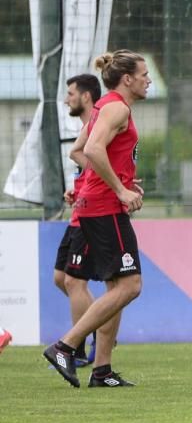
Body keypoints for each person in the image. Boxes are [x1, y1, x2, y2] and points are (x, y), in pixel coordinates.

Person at [43, 49, 149, 388]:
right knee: (130, 286)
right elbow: (91, 150)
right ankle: (65, 347)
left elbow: (81, 151)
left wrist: (121, 180)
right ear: (127, 79)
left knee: (118, 287)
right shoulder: (117, 106)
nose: (148, 80)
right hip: (104, 207)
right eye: (144, 75)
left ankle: (101, 371)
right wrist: (119, 189)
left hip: (96, 204)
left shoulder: (107, 107)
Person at [54, 73, 102, 367]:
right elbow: (93, 174)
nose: (66, 99)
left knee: (74, 282)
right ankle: (102, 323)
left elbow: (103, 168)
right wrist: (77, 189)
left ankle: (76, 351)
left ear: (86, 96)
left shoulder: (99, 127)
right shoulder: (88, 128)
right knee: (61, 279)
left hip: (90, 217)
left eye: (70, 93)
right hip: (78, 214)